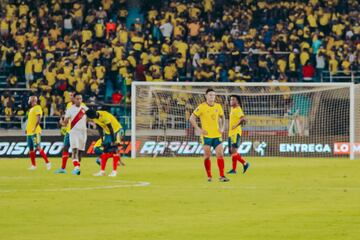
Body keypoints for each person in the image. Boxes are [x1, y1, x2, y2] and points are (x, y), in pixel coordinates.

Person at [189, 88, 229, 182]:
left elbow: (223, 116)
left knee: (220, 155)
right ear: (206, 96)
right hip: (206, 136)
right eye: (210, 95)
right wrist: (199, 129)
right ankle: (209, 176)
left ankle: (222, 176)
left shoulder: (218, 106)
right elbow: (191, 118)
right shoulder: (202, 107)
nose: (212, 97)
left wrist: (222, 127)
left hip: (217, 135)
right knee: (207, 156)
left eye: (213, 95)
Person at [86, 109, 123, 177]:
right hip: (108, 133)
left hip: (117, 131)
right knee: (105, 151)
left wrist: (112, 141)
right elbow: (100, 128)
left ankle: (114, 171)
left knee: (114, 149)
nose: (91, 119)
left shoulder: (104, 116)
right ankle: (102, 171)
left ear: (92, 115)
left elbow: (111, 128)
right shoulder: (95, 117)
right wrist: (102, 140)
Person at [60, 93, 88, 175]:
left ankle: (77, 167)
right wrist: (63, 121)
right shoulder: (69, 106)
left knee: (79, 152)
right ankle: (65, 168)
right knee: (68, 148)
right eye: (71, 96)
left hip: (82, 132)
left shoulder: (84, 107)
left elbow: (88, 117)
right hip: (71, 131)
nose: (78, 100)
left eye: (80, 98)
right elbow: (65, 120)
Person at [26, 96, 51, 170]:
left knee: (38, 147)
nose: (29, 101)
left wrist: (34, 127)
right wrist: (27, 129)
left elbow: (38, 118)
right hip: (29, 132)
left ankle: (48, 162)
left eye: (30, 100)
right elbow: (31, 120)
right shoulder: (31, 109)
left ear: (33, 100)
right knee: (31, 149)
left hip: (35, 132)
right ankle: (33, 165)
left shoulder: (37, 107)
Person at [227, 95, 250, 174]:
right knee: (231, 152)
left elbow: (243, 118)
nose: (231, 101)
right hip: (231, 133)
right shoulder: (232, 109)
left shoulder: (238, 109)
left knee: (233, 151)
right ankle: (234, 169)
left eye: (233, 99)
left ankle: (245, 163)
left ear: (237, 101)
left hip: (235, 133)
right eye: (230, 100)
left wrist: (236, 125)